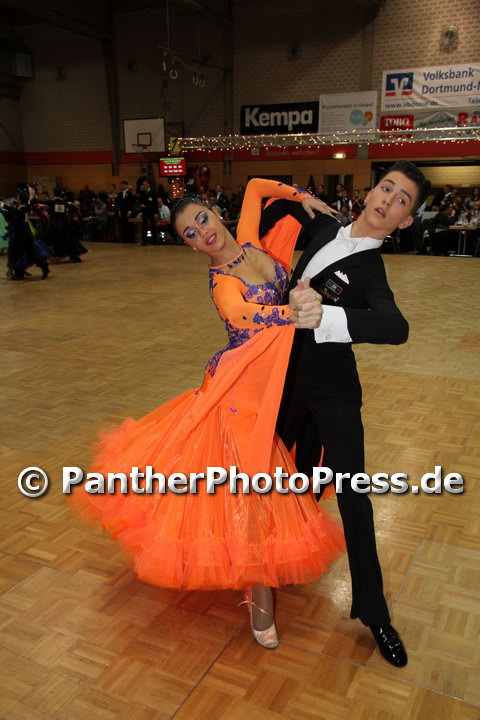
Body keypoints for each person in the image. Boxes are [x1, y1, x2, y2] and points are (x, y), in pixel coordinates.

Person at [68, 179, 346, 650]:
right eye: (191, 234)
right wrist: (291, 313)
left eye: (202, 219)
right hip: (241, 389)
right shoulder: (222, 282)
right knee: (252, 486)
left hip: (276, 378)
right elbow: (241, 315)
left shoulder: (251, 241)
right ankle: (259, 598)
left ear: (215, 213)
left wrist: (302, 197)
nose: (203, 232)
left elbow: (255, 187)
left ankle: (255, 574)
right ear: (190, 246)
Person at [260, 160, 431, 668]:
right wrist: (299, 198)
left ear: (404, 220)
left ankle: (376, 614)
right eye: (386, 188)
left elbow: (396, 327)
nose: (388, 200)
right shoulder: (323, 226)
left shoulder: (372, 270)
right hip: (284, 378)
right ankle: (264, 567)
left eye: (401, 200)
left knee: (354, 496)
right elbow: (263, 210)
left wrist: (327, 317)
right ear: (371, 191)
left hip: (333, 388)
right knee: (270, 474)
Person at [139, 179, 158, 245]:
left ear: (148, 185)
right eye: (143, 184)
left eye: (145, 184)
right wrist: (141, 205)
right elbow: (140, 201)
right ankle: (144, 241)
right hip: (145, 212)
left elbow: (155, 203)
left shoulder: (153, 192)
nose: (144, 186)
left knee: (153, 226)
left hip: (151, 211)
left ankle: (155, 241)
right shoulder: (142, 192)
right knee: (144, 226)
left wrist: (156, 212)